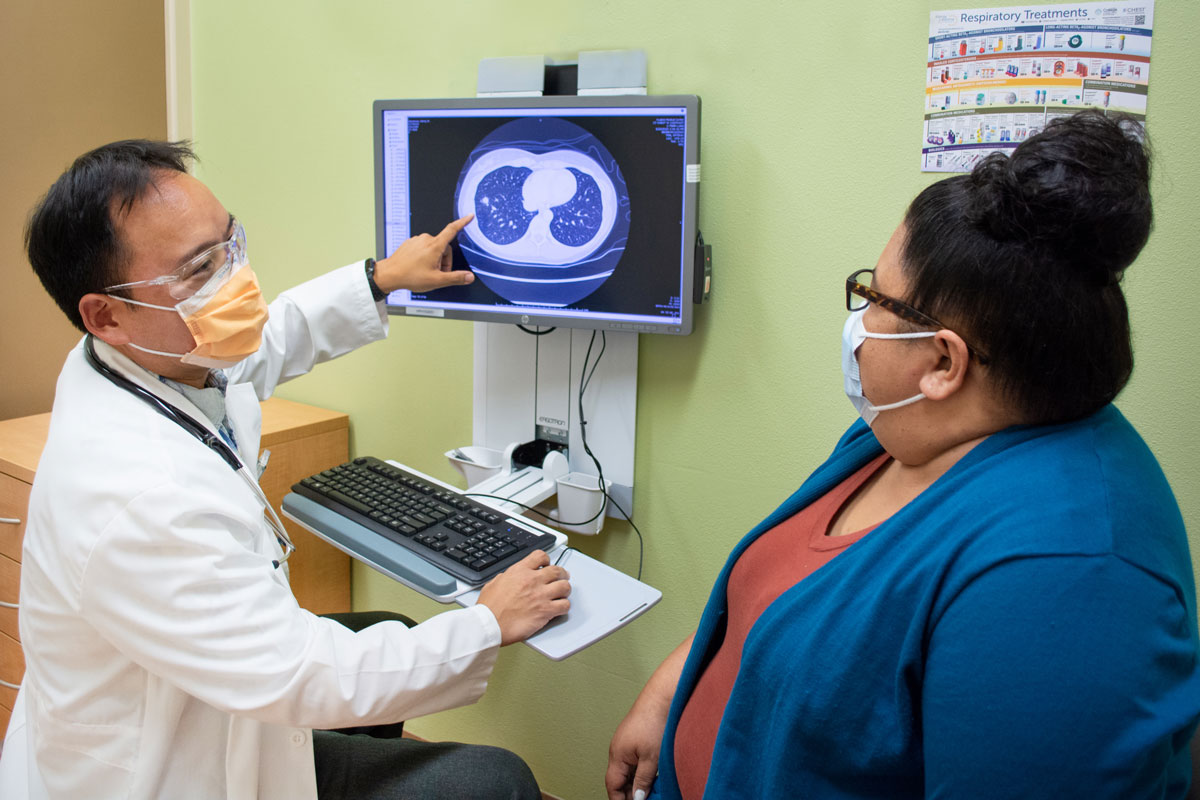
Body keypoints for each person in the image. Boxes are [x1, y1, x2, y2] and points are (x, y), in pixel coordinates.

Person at [606, 111, 1200, 799]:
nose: (858, 320)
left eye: (874, 296)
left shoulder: (1066, 578)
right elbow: (781, 594)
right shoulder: (901, 436)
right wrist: (671, 693)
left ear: (944, 361)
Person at [0, 140, 571, 800]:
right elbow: (296, 674)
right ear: (108, 315)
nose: (236, 277)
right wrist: (487, 625)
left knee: (394, 637)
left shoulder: (143, 358)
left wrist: (382, 278)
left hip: (204, 693)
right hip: (164, 774)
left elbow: (259, 348)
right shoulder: (135, 495)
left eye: (230, 243)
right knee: (495, 782)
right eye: (200, 268)